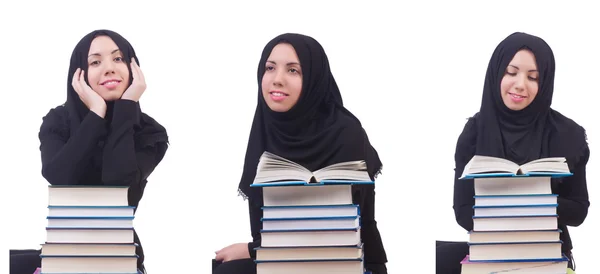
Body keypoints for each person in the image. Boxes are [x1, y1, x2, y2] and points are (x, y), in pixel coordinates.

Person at [212, 33, 388, 274]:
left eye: (293, 70)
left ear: (314, 78)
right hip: (281, 261)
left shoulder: (346, 133)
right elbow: (265, 230)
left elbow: (357, 229)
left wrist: (253, 250)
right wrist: (255, 249)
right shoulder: (265, 130)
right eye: (270, 68)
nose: (277, 79)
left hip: (341, 263)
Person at [9, 29, 169, 274]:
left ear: (134, 69)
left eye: (118, 59)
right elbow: (60, 177)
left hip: (119, 257)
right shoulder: (57, 121)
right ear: (79, 75)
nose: (109, 68)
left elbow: (119, 183)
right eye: (95, 61)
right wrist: (96, 113)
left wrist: (126, 108)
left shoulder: (149, 132)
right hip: (64, 254)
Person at [436, 32, 590, 273]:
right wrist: (532, 206)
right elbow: (463, 213)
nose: (520, 84)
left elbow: (579, 211)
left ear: (545, 82)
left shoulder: (568, 135)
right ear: (497, 72)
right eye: (511, 72)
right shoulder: (474, 133)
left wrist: (526, 199)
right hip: (489, 256)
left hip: (550, 259)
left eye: (533, 77)